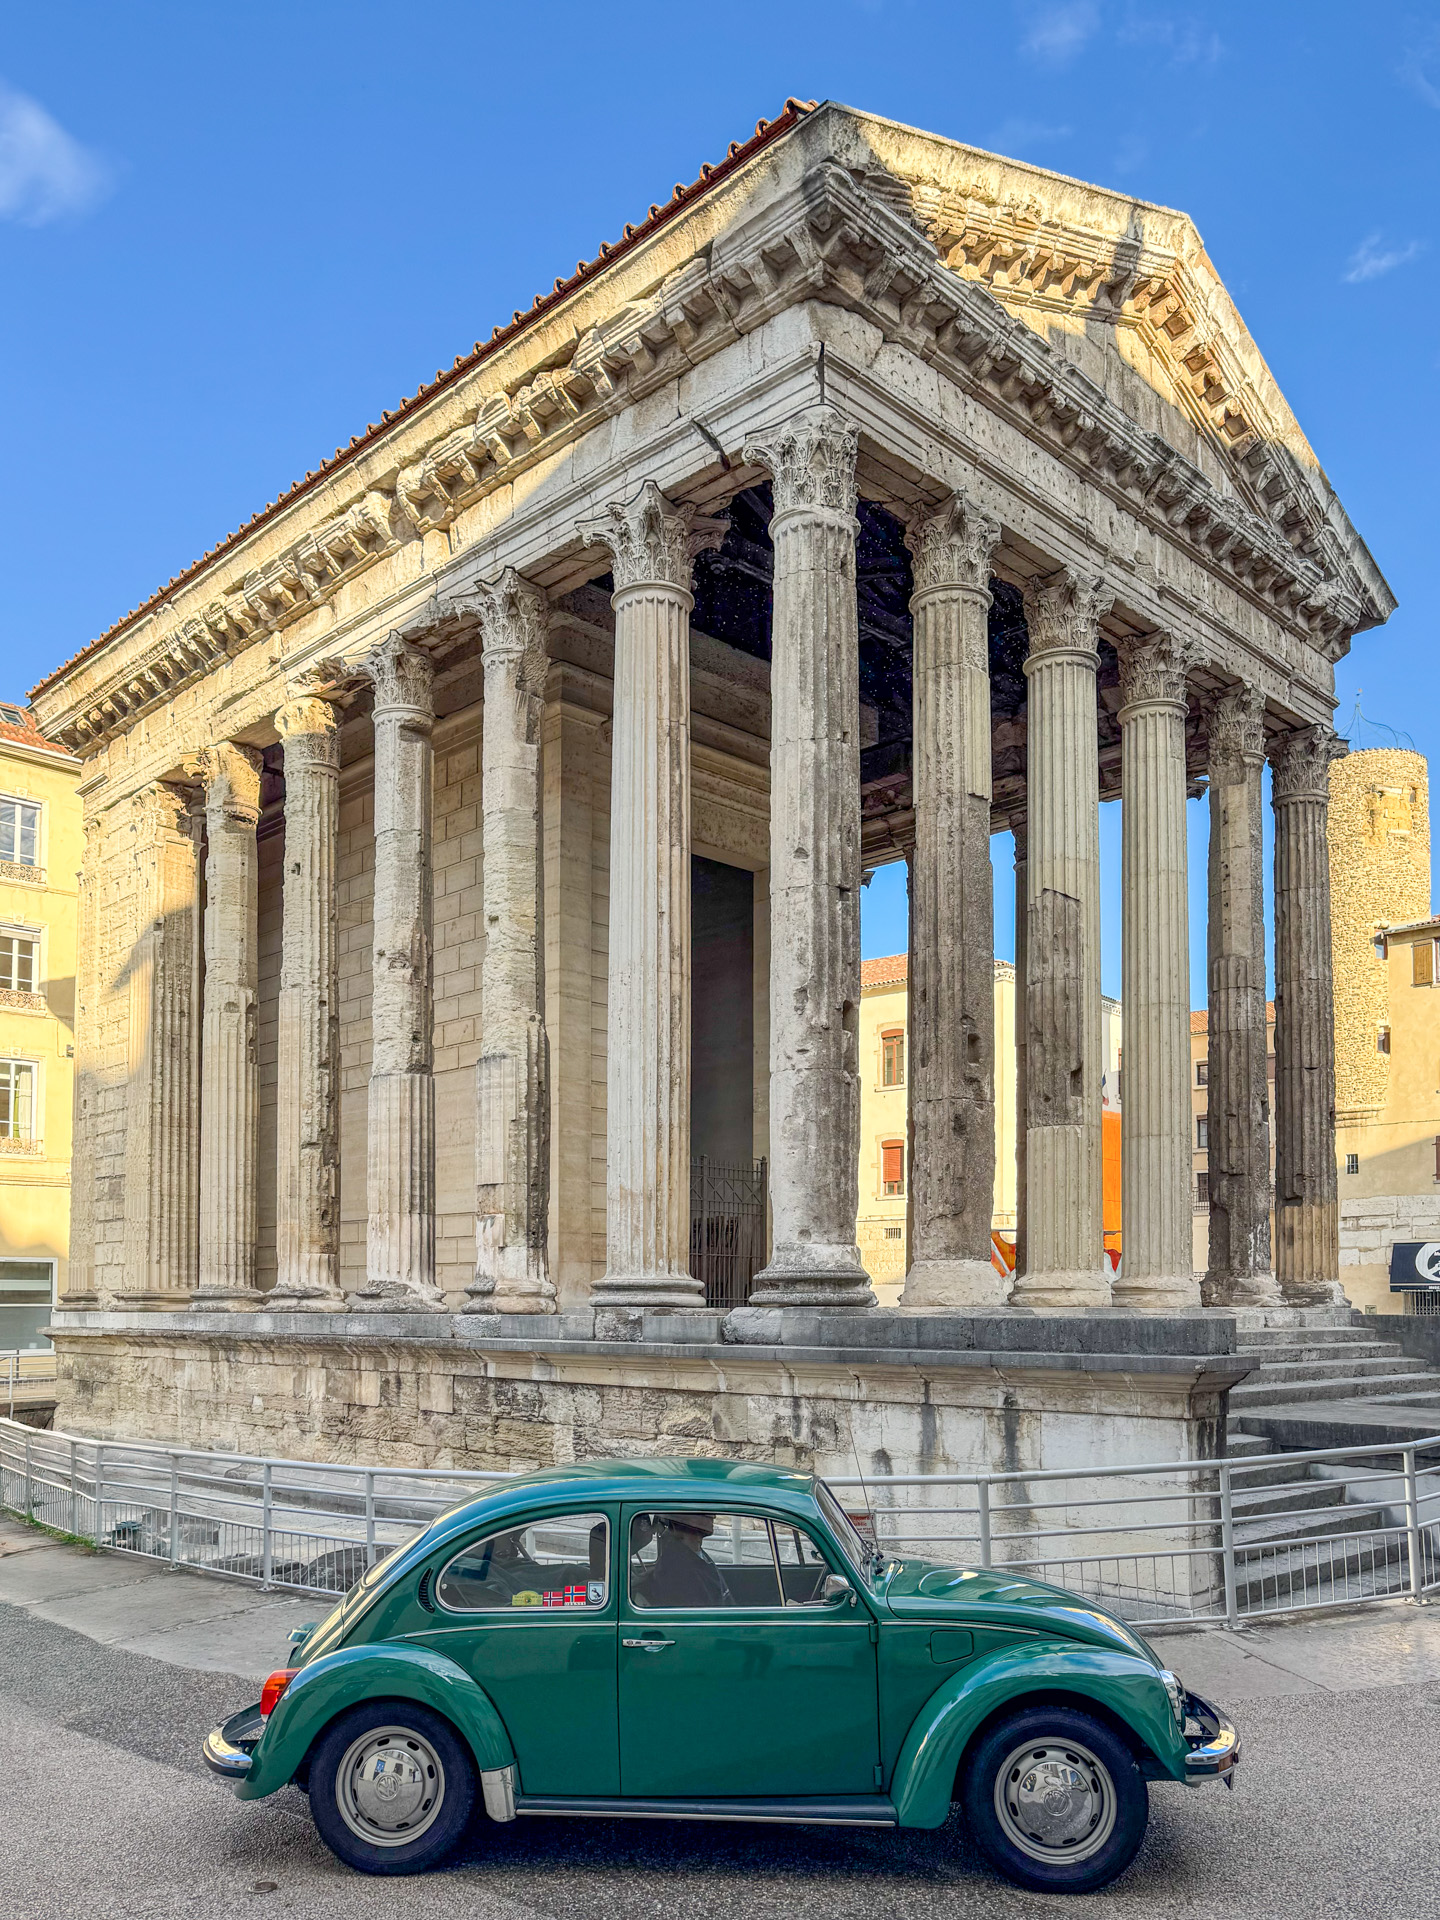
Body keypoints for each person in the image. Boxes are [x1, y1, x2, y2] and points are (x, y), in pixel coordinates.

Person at [640, 1511, 732, 1607]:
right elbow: (703, 1617)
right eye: (701, 1511)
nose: (713, 1516)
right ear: (676, 1527)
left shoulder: (696, 1555)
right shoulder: (677, 1571)